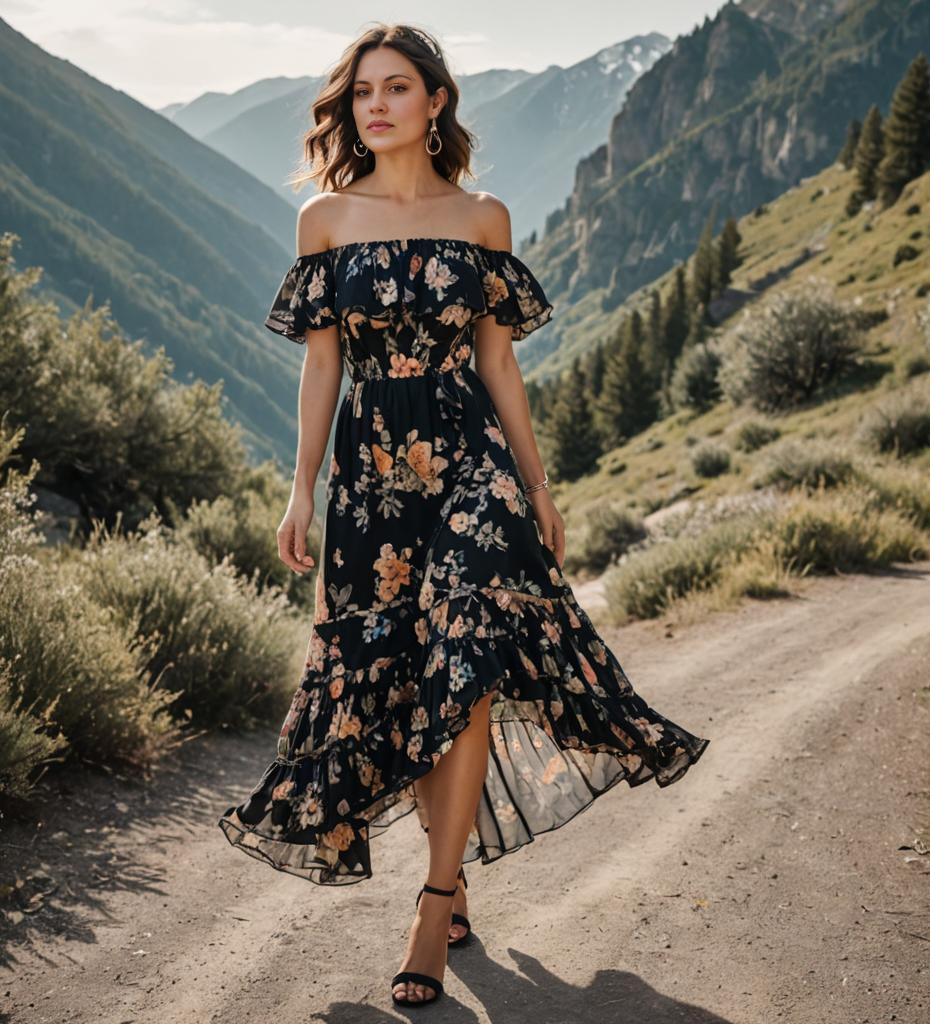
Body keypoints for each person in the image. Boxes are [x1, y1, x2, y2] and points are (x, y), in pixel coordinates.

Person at [217, 22, 711, 1008]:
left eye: (397, 88)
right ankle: (454, 872)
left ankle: (433, 899)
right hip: (369, 475)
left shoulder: (483, 215)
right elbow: (321, 366)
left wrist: (536, 484)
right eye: (363, 92)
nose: (377, 106)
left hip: (469, 466)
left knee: (469, 663)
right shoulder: (324, 220)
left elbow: (496, 360)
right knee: (398, 678)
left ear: (435, 101)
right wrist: (299, 484)